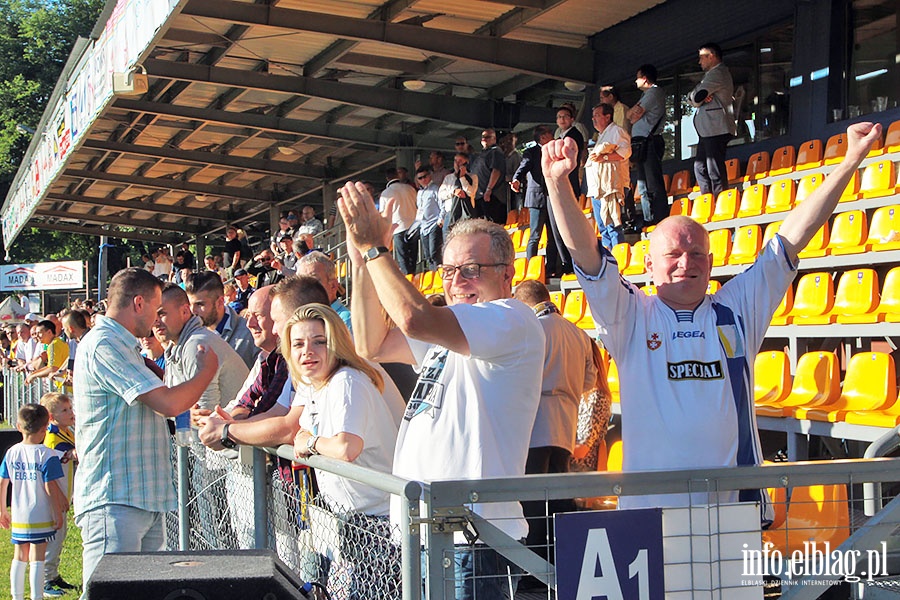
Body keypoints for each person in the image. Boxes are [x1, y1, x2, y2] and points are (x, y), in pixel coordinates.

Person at [540, 122, 882, 510]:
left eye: (697, 254)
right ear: (649, 266)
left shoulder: (737, 310)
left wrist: (852, 157)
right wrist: (557, 184)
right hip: (650, 512)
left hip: (734, 507)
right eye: (674, 255)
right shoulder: (630, 315)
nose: (687, 263)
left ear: (711, 262)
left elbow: (793, 235)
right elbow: (586, 253)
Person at [339, 183, 544, 600]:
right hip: (426, 533)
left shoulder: (512, 318)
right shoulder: (451, 327)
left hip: (473, 538)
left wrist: (378, 251)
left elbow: (414, 319)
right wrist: (362, 255)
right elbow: (369, 344)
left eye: (471, 269)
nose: (456, 282)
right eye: (448, 271)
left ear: (507, 273)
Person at [72, 268, 219, 592]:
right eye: (155, 308)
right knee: (110, 594)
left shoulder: (122, 346)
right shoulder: (104, 344)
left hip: (140, 497)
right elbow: (167, 403)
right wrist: (206, 371)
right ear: (138, 303)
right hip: (115, 498)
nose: (156, 319)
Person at [289, 303, 403, 599]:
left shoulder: (346, 381)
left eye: (319, 342)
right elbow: (301, 429)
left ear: (336, 344)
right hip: (350, 521)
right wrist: (306, 437)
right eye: (298, 344)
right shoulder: (316, 383)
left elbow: (345, 447)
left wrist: (311, 444)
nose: (307, 351)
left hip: (378, 526)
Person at [512, 280, 596, 562]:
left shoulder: (531, 329)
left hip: (534, 423)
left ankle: (534, 567)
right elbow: (590, 381)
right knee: (559, 498)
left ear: (522, 303)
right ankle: (565, 561)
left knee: (533, 500)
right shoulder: (578, 333)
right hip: (565, 424)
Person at [0, 404, 65, 600]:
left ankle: (16, 596)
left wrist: (2, 509)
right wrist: (57, 513)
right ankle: (37, 596)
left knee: (19, 555)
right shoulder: (47, 454)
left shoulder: (12, 452)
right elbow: (50, 487)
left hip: (19, 512)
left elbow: (3, 482)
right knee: (37, 556)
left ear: (19, 426)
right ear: (46, 426)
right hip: (40, 512)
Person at [39, 393, 77, 596]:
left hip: (64, 494)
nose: (71, 413)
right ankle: (45, 580)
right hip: (55, 497)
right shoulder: (53, 439)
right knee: (53, 538)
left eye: (70, 408)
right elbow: (50, 474)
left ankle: (53, 575)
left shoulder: (66, 432)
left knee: (60, 537)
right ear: (51, 417)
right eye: (65, 410)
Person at [690, 42, 736, 197]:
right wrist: (696, 97)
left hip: (716, 128)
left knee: (713, 167)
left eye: (702, 58)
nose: (699, 62)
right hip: (707, 130)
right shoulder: (709, 76)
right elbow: (693, 97)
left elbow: (697, 97)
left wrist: (697, 98)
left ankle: (720, 200)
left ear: (711, 56)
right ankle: (707, 200)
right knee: (699, 166)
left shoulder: (718, 73)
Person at [186, 271, 259, 368]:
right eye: (190, 304)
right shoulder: (188, 335)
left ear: (220, 302)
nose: (193, 311)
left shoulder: (250, 335)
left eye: (200, 304)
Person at [627, 63, 668, 226]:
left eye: (637, 78)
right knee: (642, 182)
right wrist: (633, 114)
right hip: (641, 142)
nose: (635, 82)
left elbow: (635, 114)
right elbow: (630, 116)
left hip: (650, 141)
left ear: (644, 79)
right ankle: (648, 217)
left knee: (652, 181)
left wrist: (634, 113)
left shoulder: (654, 92)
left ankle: (659, 216)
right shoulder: (645, 96)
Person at [585, 103, 632, 249]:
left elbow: (625, 152)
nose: (594, 119)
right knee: (603, 227)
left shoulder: (617, 131)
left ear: (608, 116)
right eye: (593, 117)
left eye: (597, 116)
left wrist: (604, 158)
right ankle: (610, 261)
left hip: (611, 187)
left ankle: (618, 259)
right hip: (596, 189)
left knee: (612, 224)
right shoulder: (599, 136)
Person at [511, 125, 558, 267]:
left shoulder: (554, 151)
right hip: (536, 198)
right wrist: (516, 179)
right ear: (543, 137)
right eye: (550, 134)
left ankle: (551, 268)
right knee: (535, 236)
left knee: (553, 235)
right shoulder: (530, 152)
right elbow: (523, 167)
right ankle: (531, 266)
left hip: (552, 197)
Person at [294, 251, 352, 334]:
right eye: (300, 282)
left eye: (313, 281)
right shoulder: (298, 322)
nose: (305, 287)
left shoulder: (345, 322)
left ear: (333, 285)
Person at [379, 167, 418, 275]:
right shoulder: (410, 189)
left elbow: (383, 214)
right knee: (413, 256)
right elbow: (417, 204)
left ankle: (408, 279)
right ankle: (414, 276)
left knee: (403, 257)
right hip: (413, 225)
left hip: (398, 227)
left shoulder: (386, 193)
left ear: (387, 178)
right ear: (397, 175)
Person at [470, 128, 508, 224]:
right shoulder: (482, 153)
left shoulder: (495, 152)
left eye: (488, 137)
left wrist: (489, 189)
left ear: (494, 139)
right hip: (480, 196)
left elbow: (496, 171)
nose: (484, 139)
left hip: (492, 196)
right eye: (483, 137)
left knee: (492, 225)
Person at [411, 166, 443, 271]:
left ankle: (439, 274)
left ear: (430, 176)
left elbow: (442, 205)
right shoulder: (420, 193)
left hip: (434, 223)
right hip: (423, 226)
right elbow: (419, 210)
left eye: (425, 176)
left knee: (435, 253)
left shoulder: (436, 189)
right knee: (427, 255)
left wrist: (440, 220)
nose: (423, 180)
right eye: (420, 178)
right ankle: (433, 274)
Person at [438, 152, 477, 236]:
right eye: (455, 160)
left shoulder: (473, 177)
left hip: (465, 212)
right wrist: (453, 192)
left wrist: (462, 178)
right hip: (450, 213)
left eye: (460, 161)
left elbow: (471, 192)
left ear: (466, 163)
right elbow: (441, 194)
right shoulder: (448, 178)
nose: (457, 163)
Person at [24, 321, 68, 385]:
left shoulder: (54, 345)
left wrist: (33, 376)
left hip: (64, 386)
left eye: (39, 333)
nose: (37, 336)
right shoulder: (55, 343)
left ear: (49, 332)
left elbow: (53, 368)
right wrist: (33, 374)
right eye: (36, 333)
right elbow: (50, 366)